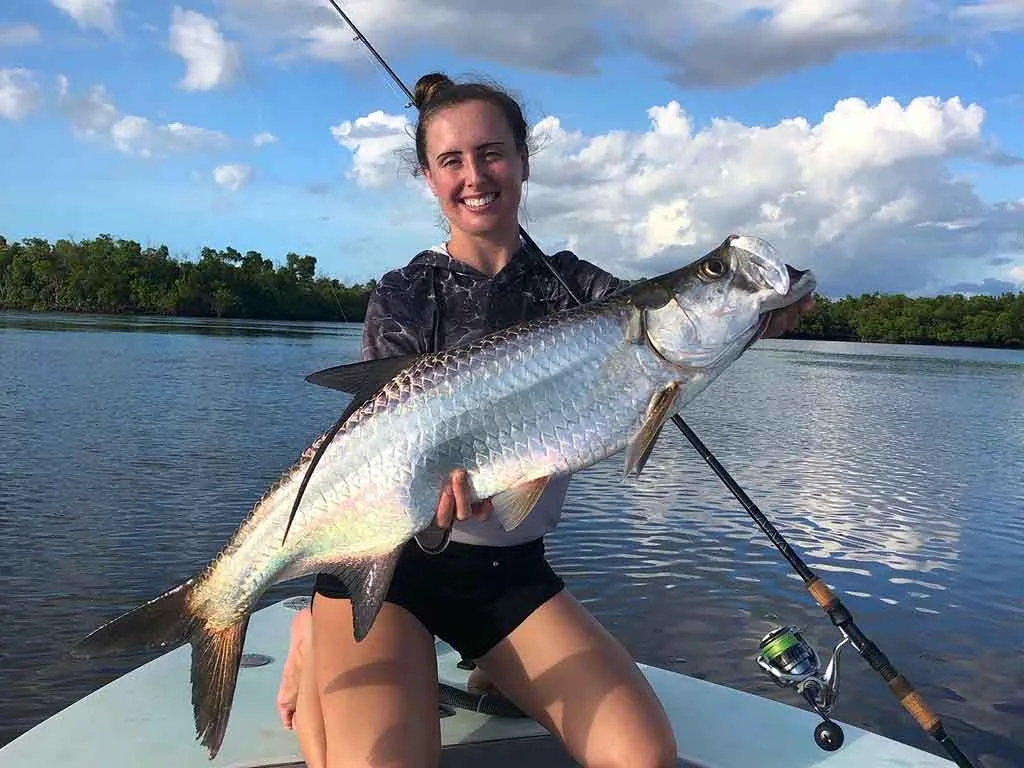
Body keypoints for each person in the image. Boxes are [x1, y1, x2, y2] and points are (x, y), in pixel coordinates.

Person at [276, 72, 814, 768]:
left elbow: (698, 321)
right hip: (394, 563)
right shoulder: (406, 294)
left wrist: (773, 303)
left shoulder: (579, 290)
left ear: (524, 161)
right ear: (428, 177)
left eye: (492, 152)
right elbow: (377, 444)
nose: (476, 175)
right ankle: (316, 628)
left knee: (643, 758)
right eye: (452, 160)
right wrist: (424, 504)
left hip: (507, 574)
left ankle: (486, 657)